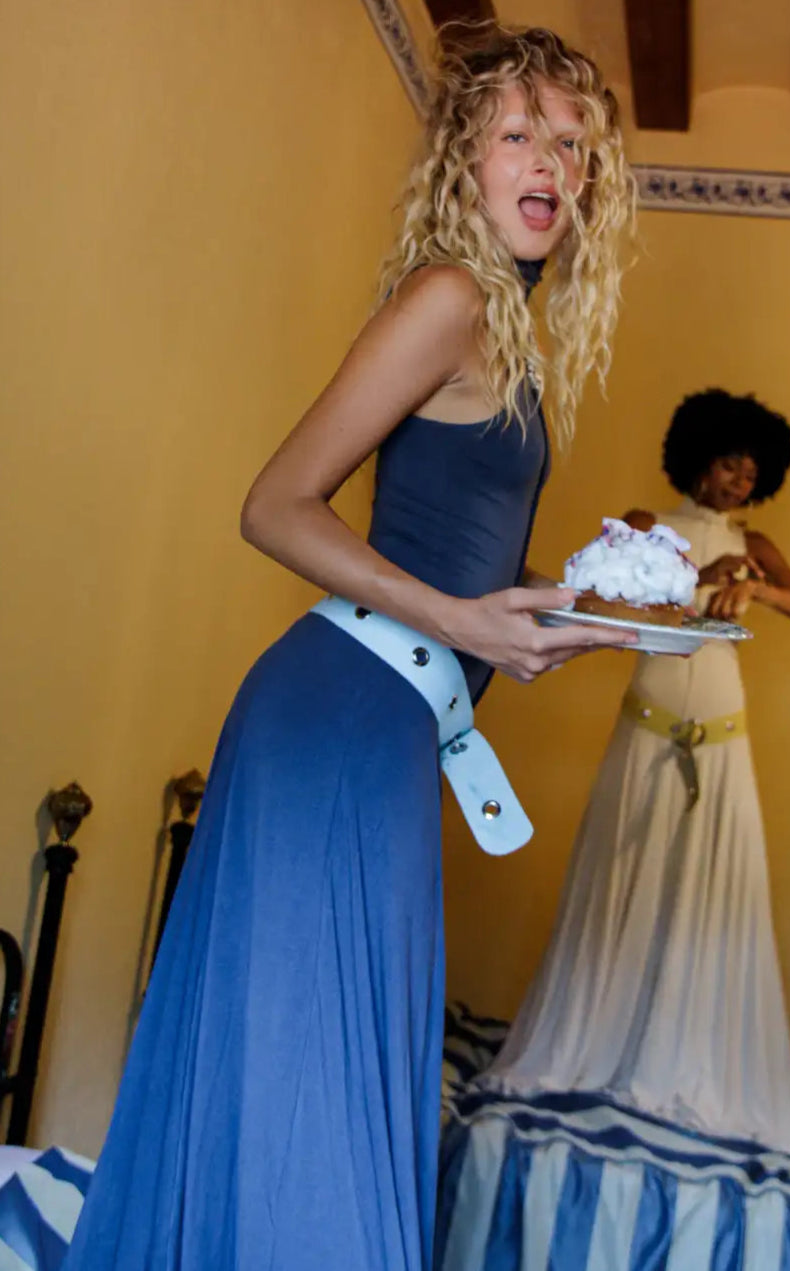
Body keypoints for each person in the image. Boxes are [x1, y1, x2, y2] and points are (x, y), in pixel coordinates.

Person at [62, 24, 640, 1271]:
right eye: (519, 133)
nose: (550, 161)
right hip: (331, 720)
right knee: (312, 1074)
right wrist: (460, 620)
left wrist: (566, 613)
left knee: (331, 1060)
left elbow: (459, 572)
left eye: (572, 142)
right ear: (466, 157)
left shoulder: (513, 333)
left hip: (389, 728)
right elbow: (273, 502)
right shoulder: (446, 296)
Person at [486, 388, 790, 1165]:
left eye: (750, 472)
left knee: (708, 900)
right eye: (727, 464)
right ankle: (600, 1045)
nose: (738, 481)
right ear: (697, 461)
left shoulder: (755, 544)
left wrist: (759, 586)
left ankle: (690, 1058)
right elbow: (600, 592)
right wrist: (695, 573)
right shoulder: (648, 529)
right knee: (624, 879)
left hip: (721, 739)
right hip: (645, 730)